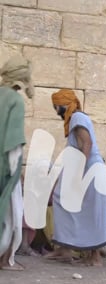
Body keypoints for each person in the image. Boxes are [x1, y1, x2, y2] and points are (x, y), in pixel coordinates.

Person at [46, 89, 106, 266]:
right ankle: (64, 248)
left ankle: (94, 257)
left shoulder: (76, 117)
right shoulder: (77, 118)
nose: (56, 110)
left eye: (55, 107)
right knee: (62, 199)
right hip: (87, 168)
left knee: (90, 211)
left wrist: (79, 174)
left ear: (61, 105)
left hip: (89, 170)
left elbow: (86, 143)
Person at [0, 55, 33, 271]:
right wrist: (15, 171)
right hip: (5, 166)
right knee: (11, 212)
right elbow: (13, 143)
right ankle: (5, 259)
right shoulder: (15, 100)